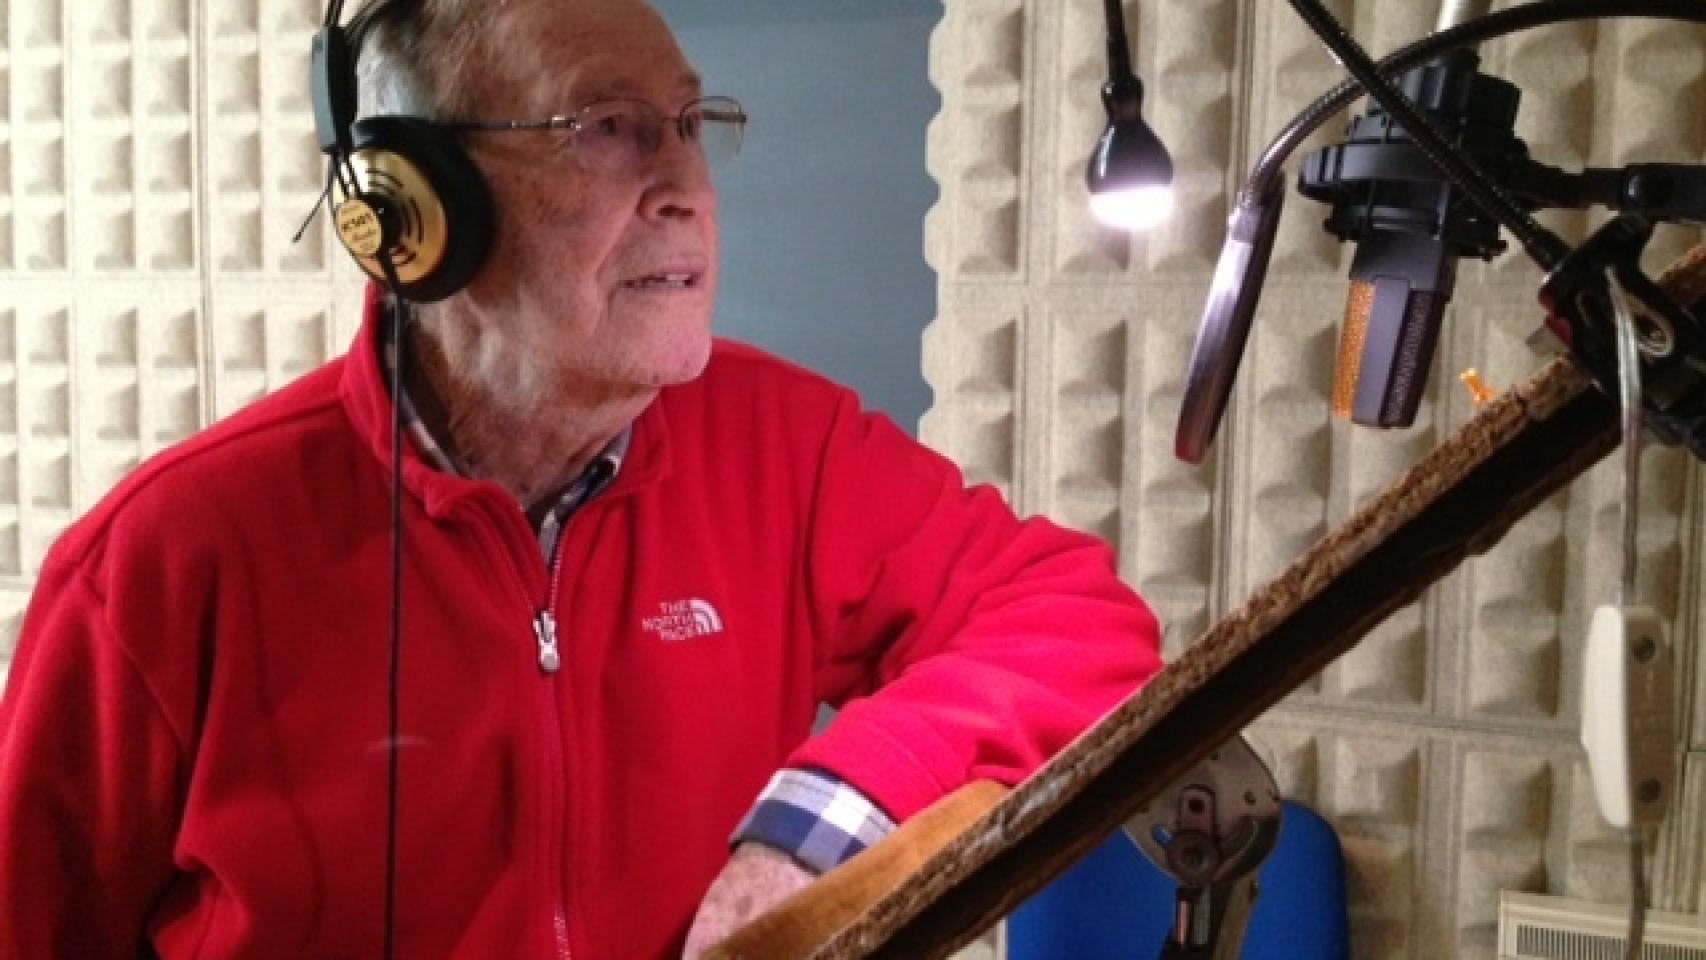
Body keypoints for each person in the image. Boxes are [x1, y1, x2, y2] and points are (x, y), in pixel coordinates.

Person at [0, 0, 1162, 957]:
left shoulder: (789, 449)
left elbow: (1069, 614)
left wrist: (821, 827)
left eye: (690, 125)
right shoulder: (158, 565)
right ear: (415, 204)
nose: (687, 187)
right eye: (607, 129)